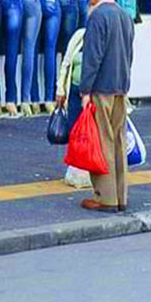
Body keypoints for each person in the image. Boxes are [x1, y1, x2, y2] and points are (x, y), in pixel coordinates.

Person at [78, 0, 134, 213]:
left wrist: (85, 89)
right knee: (119, 140)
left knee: (103, 141)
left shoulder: (97, 16)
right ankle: (121, 196)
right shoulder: (124, 15)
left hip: (102, 86)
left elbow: (93, 56)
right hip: (121, 84)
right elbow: (129, 51)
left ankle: (106, 197)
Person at [56, 26, 89, 189]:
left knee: (90, 133)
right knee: (74, 131)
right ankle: (76, 168)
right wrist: (60, 89)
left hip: (93, 93)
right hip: (75, 90)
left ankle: (88, 168)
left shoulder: (104, 38)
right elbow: (66, 62)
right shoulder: (79, 36)